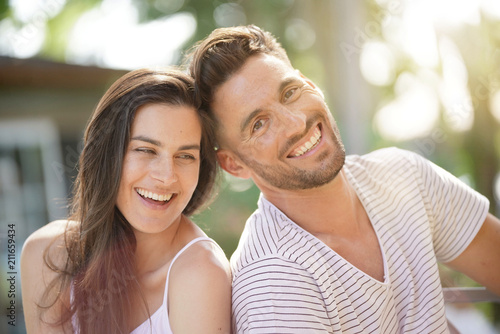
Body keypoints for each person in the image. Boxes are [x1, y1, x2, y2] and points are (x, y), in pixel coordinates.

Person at [186, 25, 500, 333]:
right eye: (259, 124)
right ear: (234, 164)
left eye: (290, 92)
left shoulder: (403, 176)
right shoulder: (274, 285)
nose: (295, 123)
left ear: (310, 84)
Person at [21, 68, 232, 334]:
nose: (166, 177)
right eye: (145, 150)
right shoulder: (47, 254)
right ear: (106, 154)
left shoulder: (200, 273)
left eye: (186, 156)